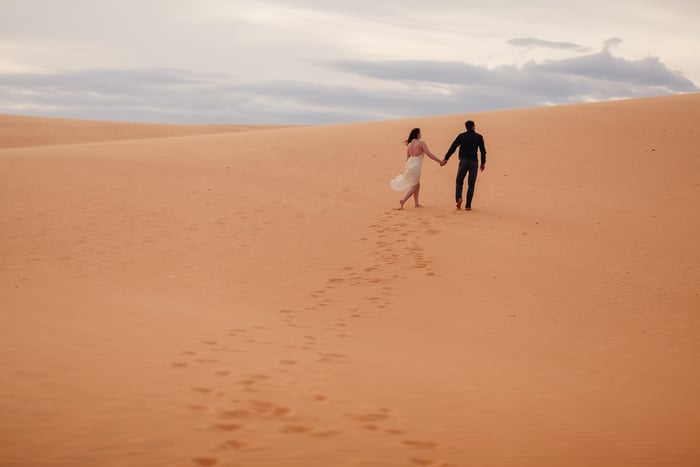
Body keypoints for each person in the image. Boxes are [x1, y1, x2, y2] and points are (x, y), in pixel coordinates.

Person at [390, 128, 443, 209]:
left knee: (417, 184)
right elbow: (429, 154)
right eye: (420, 133)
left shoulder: (410, 144)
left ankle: (416, 203)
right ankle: (403, 200)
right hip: (416, 166)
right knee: (414, 186)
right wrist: (440, 161)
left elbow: (407, 158)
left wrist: (406, 169)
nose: (421, 134)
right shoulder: (421, 143)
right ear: (418, 134)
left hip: (409, 164)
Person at [441, 120, 487, 210]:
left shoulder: (462, 136)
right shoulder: (479, 137)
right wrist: (483, 163)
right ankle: (468, 205)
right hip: (474, 162)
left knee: (459, 181)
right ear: (473, 126)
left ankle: (459, 198)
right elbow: (483, 151)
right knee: (471, 184)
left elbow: (453, 147)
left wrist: (446, 158)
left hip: (463, 161)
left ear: (466, 127)